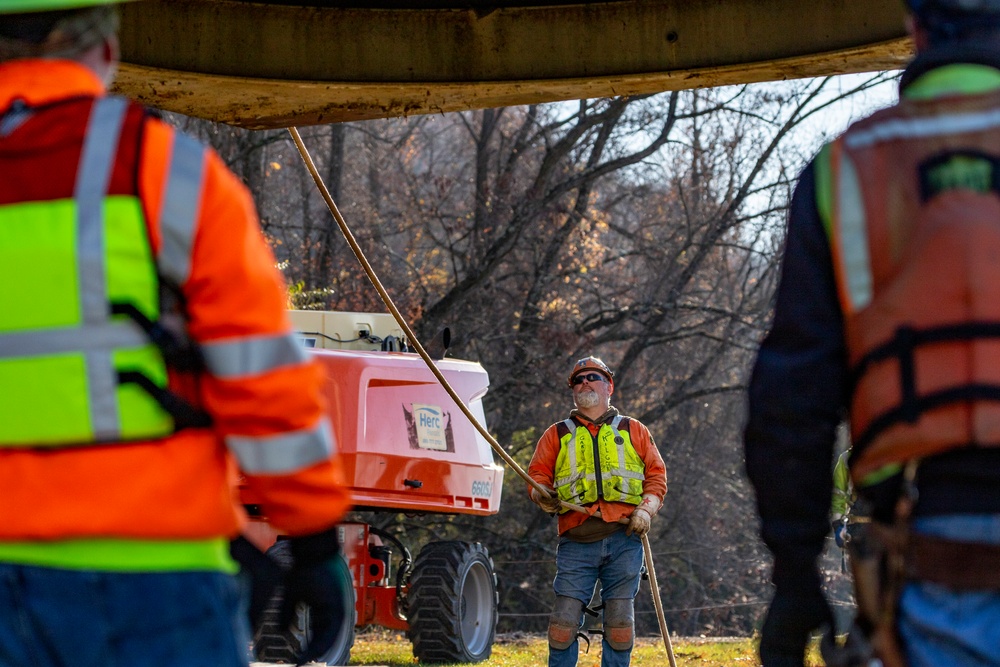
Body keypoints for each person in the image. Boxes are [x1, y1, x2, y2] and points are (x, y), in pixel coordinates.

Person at [0, 2, 352, 666]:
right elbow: (262, 377)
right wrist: (312, 541)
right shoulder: (164, 171)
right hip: (151, 585)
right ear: (105, 46)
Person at [744, 0, 1000, 665]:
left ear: (915, 29)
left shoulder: (847, 169)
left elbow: (792, 402)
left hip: (932, 544)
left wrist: (794, 576)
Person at [528, 357, 667, 667]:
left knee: (620, 624)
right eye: (578, 380)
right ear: (573, 390)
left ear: (609, 386)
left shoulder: (634, 429)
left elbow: (657, 477)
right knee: (563, 623)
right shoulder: (557, 434)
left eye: (593, 377)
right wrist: (542, 495)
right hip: (577, 540)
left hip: (625, 538)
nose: (585, 383)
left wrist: (645, 512)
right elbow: (536, 476)